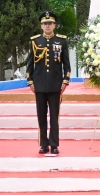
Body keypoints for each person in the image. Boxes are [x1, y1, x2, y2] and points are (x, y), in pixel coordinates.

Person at [26, 11, 71, 154]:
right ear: (41, 25)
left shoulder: (61, 41)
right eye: (45, 23)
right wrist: (30, 81)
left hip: (55, 84)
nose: (47, 26)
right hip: (39, 85)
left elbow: (66, 64)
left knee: (54, 116)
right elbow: (30, 64)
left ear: (54, 25)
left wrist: (65, 81)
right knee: (41, 115)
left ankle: (54, 144)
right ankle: (43, 144)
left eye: (50, 23)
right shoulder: (35, 41)